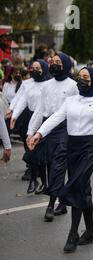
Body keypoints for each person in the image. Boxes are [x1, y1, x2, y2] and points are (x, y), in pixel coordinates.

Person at [28, 67, 93, 253]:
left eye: (86, 77)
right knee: (83, 188)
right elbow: (56, 117)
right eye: (79, 77)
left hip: (89, 149)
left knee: (75, 186)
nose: (81, 80)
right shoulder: (70, 100)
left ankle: (72, 233)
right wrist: (39, 133)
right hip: (72, 148)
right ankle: (89, 231)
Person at [27, 52, 78, 222]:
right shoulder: (46, 85)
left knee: (57, 165)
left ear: (65, 65)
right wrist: (31, 132)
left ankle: (51, 204)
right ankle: (62, 202)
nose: (54, 64)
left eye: (58, 62)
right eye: (52, 62)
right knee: (50, 165)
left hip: (64, 129)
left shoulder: (73, 85)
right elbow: (40, 110)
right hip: (47, 128)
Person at [10, 60, 51, 194]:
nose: (34, 70)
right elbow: (22, 100)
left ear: (44, 68)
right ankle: (35, 180)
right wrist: (14, 114)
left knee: (40, 153)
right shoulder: (27, 84)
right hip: (30, 117)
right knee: (31, 150)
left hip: (45, 119)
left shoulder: (49, 84)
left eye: (37, 68)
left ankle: (41, 181)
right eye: (32, 68)